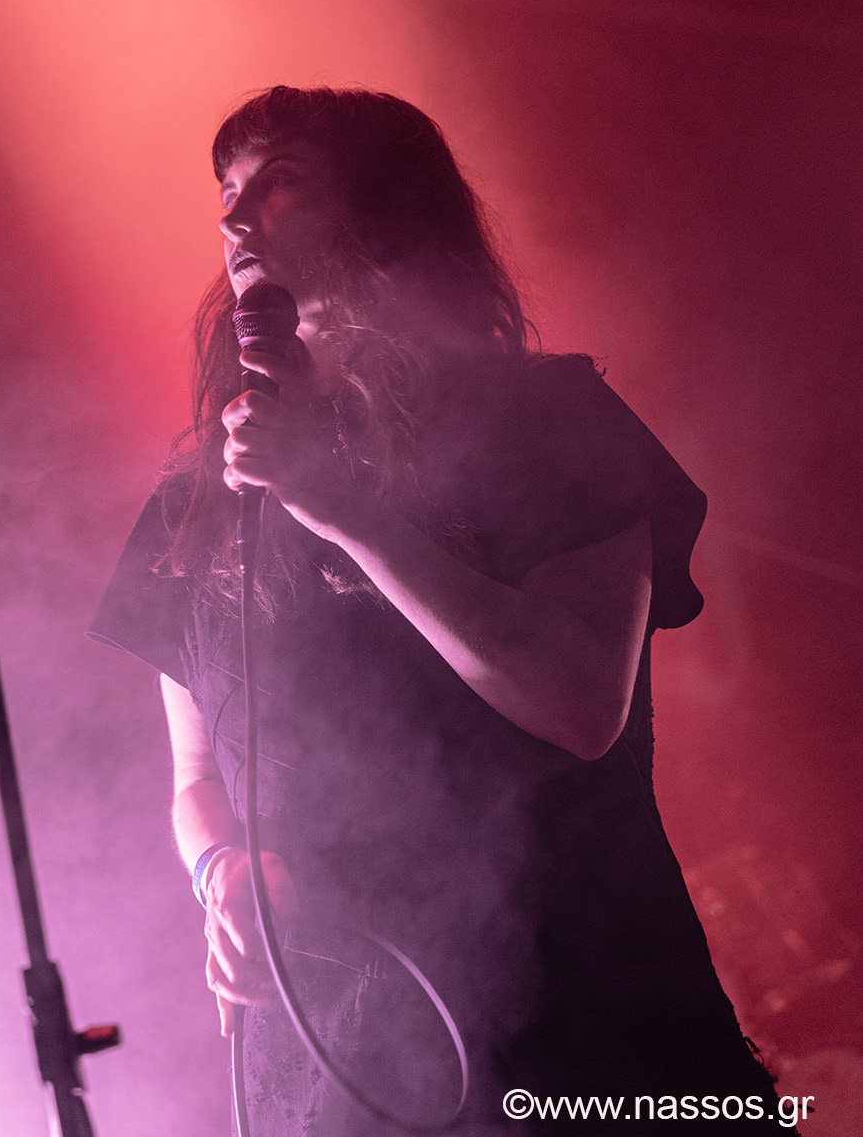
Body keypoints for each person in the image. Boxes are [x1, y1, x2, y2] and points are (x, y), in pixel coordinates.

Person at [89, 86, 777, 1134]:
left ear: (384, 204)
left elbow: (579, 699)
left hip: (578, 1025)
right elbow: (195, 775)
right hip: (330, 1056)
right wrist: (220, 865)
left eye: (279, 185)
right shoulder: (200, 496)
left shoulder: (547, 420)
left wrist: (340, 507)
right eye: (226, 191)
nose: (233, 217)